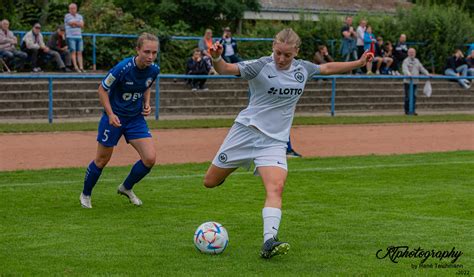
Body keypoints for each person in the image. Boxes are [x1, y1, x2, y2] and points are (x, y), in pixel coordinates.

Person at [203, 28, 370, 259]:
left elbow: (327, 68)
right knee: (210, 182)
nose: (281, 59)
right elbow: (226, 69)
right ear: (273, 46)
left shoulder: (303, 69)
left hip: (274, 141)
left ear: (296, 52)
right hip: (245, 132)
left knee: (276, 188)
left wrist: (359, 62)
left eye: (287, 55)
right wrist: (217, 57)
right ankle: (229, 169)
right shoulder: (260, 65)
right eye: (278, 53)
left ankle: (268, 241)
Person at [79, 33, 160, 209]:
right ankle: (85, 194)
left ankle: (126, 187)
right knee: (101, 160)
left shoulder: (154, 69)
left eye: (154, 52)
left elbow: (147, 85)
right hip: (114, 118)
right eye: (147, 51)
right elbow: (102, 89)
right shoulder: (122, 68)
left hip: (135, 119)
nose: (150, 56)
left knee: (150, 158)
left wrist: (146, 103)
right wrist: (110, 114)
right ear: (137, 49)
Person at [402, 48, 429, 116]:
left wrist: (427, 73)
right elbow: (405, 69)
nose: (411, 53)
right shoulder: (405, 61)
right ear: (408, 53)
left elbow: (421, 68)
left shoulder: (417, 61)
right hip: (408, 82)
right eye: (410, 52)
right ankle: (407, 111)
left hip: (415, 82)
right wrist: (409, 74)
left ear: (415, 53)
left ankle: (413, 110)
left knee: (414, 96)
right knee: (408, 97)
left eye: (413, 52)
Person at [64, 2, 85, 72]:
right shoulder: (67, 16)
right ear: (69, 9)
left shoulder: (80, 16)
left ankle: (81, 67)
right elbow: (70, 23)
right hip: (70, 36)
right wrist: (77, 23)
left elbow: (82, 25)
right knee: (73, 52)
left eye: (74, 8)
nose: (72, 10)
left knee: (80, 52)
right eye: (71, 8)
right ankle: (76, 67)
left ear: (76, 9)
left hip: (79, 36)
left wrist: (75, 24)